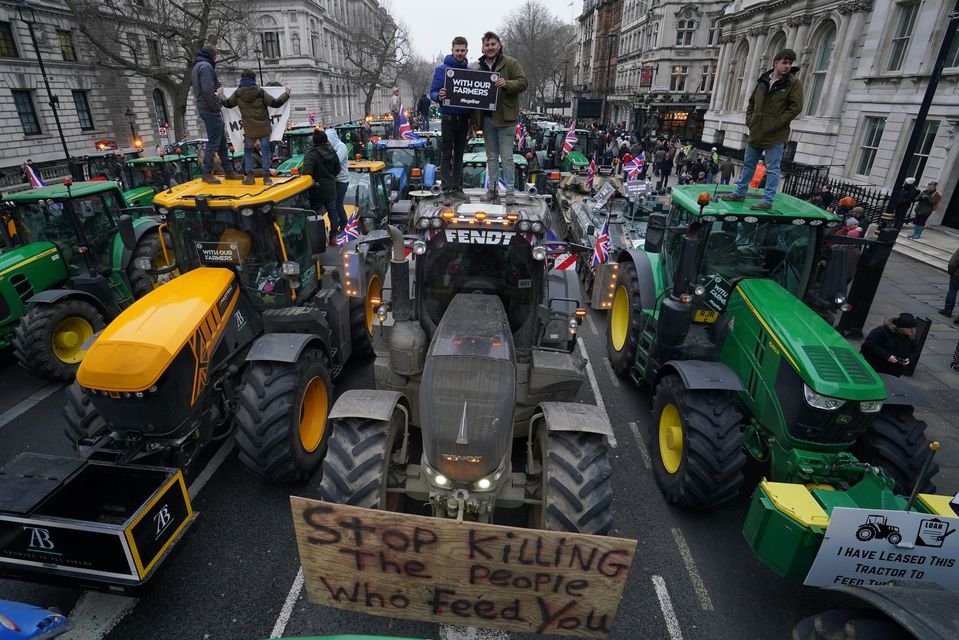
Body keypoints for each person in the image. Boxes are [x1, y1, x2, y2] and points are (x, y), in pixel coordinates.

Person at [719, 48, 803, 210]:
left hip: (775, 134)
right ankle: (740, 192)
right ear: (775, 63)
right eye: (784, 62)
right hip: (756, 130)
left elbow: (796, 107)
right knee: (749, 164)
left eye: (790, 63)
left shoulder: (793, 83)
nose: (787, 66)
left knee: (772, 168)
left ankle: (767, 200)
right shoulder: (763, 80)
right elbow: (751, 103)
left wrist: (776, 123)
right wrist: (750, 120)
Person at [474, 31, 528, 205]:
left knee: (507, 157)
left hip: (506, 118)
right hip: (488, 118)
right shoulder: (479, 67)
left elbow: (523, 82)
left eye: (493, 44)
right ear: (483, 47)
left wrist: (507, 84)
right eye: (487, 45)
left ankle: (510, 191)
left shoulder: (511, 63)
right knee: (491, 157)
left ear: (499, 45)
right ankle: (492, 189)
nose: (490, 48)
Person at [217, 70, 290, 186]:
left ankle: (250, 177)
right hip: (264, 128)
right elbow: (276, 103)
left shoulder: (238, 93)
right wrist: (286, 94)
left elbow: (227, 104)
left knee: (247, 151)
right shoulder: (260, 92)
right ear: (253, 79)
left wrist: (220, 93)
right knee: (265, 152)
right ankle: (266, 178)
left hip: (249, 129)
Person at [430, 36, 472, 203]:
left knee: (460, 155)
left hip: (463, 119)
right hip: (448, 118)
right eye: (457, 50)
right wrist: (438, 96)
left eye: (463, 50)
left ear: (466, 51)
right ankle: (446, 190)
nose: (460, 53)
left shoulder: (470, 72)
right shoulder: (442, 70)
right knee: (446, 154)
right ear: (452, 50)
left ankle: (458, 188)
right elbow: (432, 92)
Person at [192, 45, 239, 184]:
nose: (217, 57)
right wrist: (216, 108)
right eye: (217, 55)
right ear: (214, 55)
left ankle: (229, 171)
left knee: (222, 143)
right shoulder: (206, 67)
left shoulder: (198, 66)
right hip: (210, 109)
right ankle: (207, 173)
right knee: (214, 142)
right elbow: (207, 90)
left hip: (205, 107)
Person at [302, 130, 343, 238]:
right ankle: (333, 235)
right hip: (330, 188)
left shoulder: (311, 153)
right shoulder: (332, 152)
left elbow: (307, 173)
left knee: (315, 215)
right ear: (325, 140)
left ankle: (318, 238)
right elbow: (337, 169)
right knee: (332, 213)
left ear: (314, 141)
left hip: (316, 189)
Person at [861, 312, 920, 377]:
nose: (914, 331)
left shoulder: (911, 336)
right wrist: (887, 356)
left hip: (895, 371)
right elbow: (869, 344)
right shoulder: (881, 331)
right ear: (901, 328)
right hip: (875, 367)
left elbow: (915, 350)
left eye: (915, 328)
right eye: (910, 329)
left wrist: (909, 359)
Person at [325, 128, 350, 233]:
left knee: (338, 204)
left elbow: (336, 162)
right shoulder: (331, 147)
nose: (327, 142)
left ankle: (345, 225)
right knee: (333, 205)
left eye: (328, 139)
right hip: (335, 180)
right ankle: (339, 224)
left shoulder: (341, 147)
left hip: (342, 181)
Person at [937, 247, 959, 324]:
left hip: (957, 276)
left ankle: (948, 310)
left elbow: (953, 262)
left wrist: (951, 271)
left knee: (952, 292)